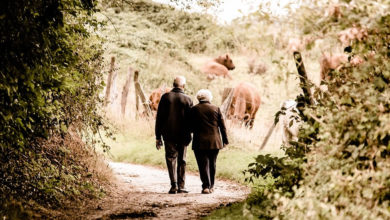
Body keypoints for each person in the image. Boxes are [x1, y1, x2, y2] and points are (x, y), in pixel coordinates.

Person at [155, 76, 193, 194]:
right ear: (183, 86)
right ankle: (182, 186)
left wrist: (158, 136)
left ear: (173, 85)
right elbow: (191, 120)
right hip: (184, 134)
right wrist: (191, 133)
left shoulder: (165, 97)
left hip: (168, 134)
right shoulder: (188, 99)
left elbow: (159, 118)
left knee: (171, 158)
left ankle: (174, 185)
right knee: (182, 159)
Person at [190, 89, 229, 194]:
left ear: (198, 98)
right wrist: (225, 140)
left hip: (199, 141)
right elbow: (222, 127)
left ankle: (205, 186)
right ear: (209, 98)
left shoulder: (193, 109)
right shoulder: (216, 109)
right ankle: (211, 186)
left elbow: (190, 126)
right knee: (212, 163)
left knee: (203, 164)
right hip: (214, 141)